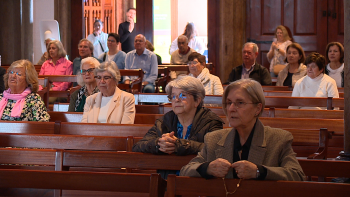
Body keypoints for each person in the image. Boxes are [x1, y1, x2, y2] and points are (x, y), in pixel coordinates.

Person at [180, 78, 305, 181]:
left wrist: (258, 171)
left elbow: (297, 176)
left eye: (240, 103)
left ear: (257, 108)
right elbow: (185, 170)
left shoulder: (279, 139)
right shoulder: (214, 138)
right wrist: (208, 168)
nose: (231, 109)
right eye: (229, 103)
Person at [133, 75, 224, 179]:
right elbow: (137, 147)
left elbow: (215, 151)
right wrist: (159, 144)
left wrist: (180, 145)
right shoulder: (165, 121)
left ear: (197, 101)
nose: (176, 100)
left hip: (199, 182)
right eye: (173, 96)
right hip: (167, 182)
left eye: (182, 95)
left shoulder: (211, 121)